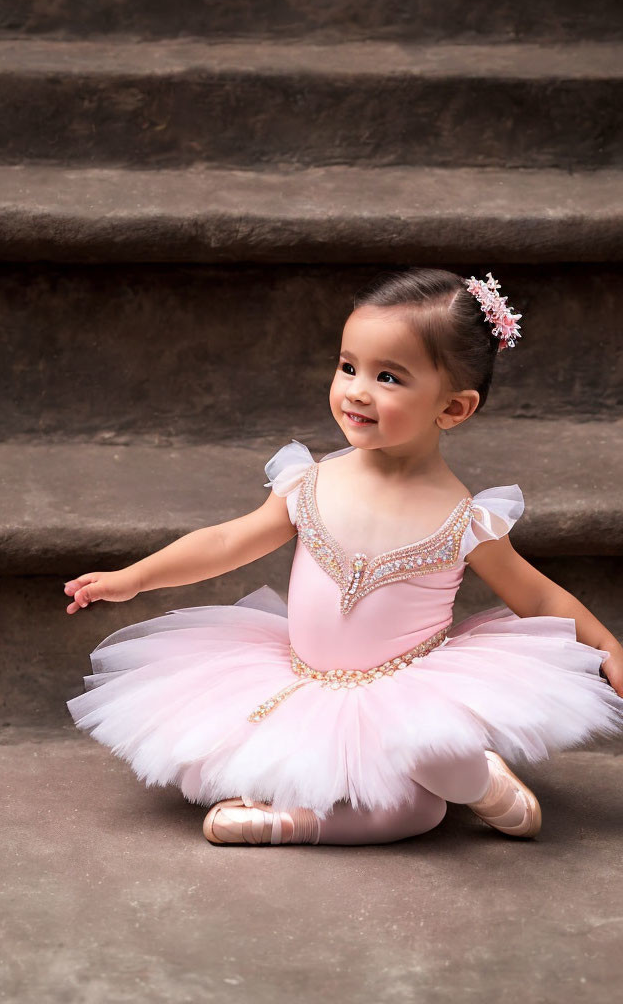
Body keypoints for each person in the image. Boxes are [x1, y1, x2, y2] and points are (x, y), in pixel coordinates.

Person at [62, 267, 623, 846]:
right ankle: (322, 811)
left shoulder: (465, 520)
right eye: (348, 366)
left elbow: (535, 595)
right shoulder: (311, 482)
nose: (356, 390)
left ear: (452, 409)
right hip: (307, 682)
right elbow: (228, 541)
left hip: (408, 686)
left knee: (420, 795)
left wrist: (607, 647)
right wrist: (135, 578)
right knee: (329, 775)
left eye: (388, 377)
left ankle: (468, 782)